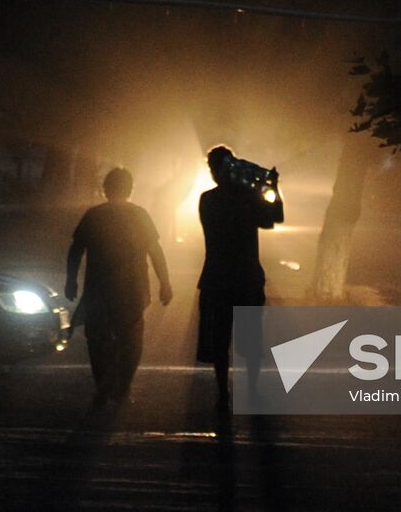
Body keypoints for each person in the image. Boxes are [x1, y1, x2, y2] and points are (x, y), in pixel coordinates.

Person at [65, 167, 173, 407]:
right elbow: (155, 251)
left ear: (105, 189)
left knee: (96, 339)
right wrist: (164, 283)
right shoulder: (140, 215)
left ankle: (102, 387)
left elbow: (75, 250)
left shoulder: (94, 215)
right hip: (133, 289)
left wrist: (71, 280)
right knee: (131, 339)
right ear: (130, 189)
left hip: (98, 289)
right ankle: (123, 386)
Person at [196, 144, 274, 412]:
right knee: (251, 338)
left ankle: (223, 392)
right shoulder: (247, 198)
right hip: (246, 275)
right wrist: (269, 187)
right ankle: (251, 389)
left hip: (217, 275)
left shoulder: (208, 200)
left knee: (219, 339)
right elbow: (271, 219)